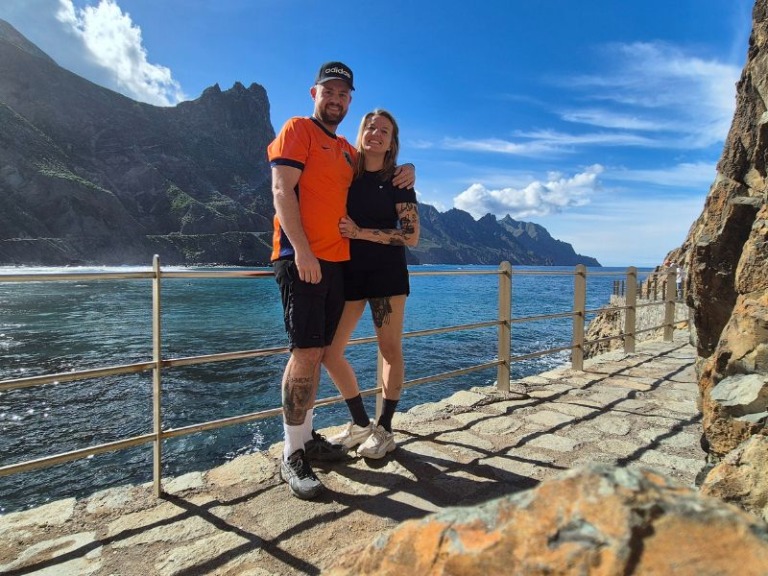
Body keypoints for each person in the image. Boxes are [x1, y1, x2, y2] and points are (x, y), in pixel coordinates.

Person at [268, 62, 415, 499]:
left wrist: (408, 168)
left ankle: (335, 435)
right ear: (314, 93)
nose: (335, 99)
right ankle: (299, 450)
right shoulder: (304, 133)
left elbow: (404, 222)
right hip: (313, 262)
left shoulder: (352, 157)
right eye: (328, 91)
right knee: (312, 352)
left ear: (349, 100)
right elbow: (282, 190)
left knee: (331, 351)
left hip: (350, 267)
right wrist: (302, 251)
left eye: (343, 94)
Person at [323, 109, 419, 459]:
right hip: (349, 272)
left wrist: (360, 233)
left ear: (392, 142)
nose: (375, 134)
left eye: (384, 131)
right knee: (330, 352)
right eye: (370, 127)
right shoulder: (346, 170)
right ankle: (361, 423)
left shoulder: (398, 181)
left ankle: (385, 429)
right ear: (360, 132)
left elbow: (411, 236)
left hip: (386, 275)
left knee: (389, 350)